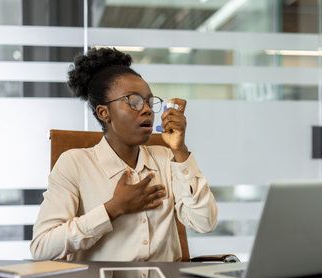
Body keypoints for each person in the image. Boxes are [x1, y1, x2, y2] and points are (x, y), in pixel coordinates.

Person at [30, 47, 217, 261]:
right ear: (104, 112)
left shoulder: (167, 158)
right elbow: (42, 247)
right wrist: (113, 209)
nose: (147, 109)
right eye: (134, 101)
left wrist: (180, 150)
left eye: (149, 101)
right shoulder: (74, 163)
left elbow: (205, 223)